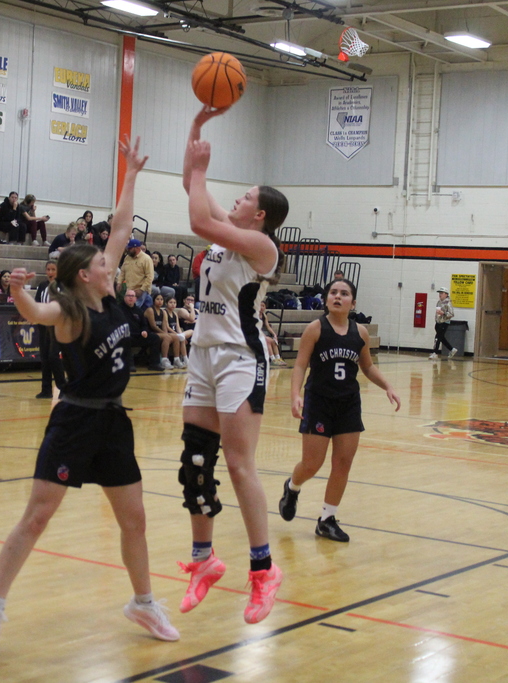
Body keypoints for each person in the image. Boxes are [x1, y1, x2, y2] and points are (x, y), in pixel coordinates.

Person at [0, 136, 179, 658]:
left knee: (134, 519)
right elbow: (33, 314)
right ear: (85, 274)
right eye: (106, 264)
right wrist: (16, 289)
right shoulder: (68, 310)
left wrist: (131, 173)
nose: (116, 264)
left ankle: (143, 601)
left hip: (113, 423)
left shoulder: (106, 293)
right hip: (74, 422)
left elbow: (125, 227)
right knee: (37, 517)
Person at [176, 106, 290, 625]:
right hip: (203, 355)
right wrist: (197, 132)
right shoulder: (228, 229)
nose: (238, 199)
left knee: (240, 465)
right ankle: (204, 561)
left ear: (260, 214)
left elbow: (198, 215)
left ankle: (264, 572)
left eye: (246, 197)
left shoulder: (262, 248)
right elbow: (192, 192)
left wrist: (202, 169)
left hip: (242, 360)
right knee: (196, 462)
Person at [278, 278, 401, 543]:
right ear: (326, 299)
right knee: (312, 464)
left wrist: (388, 386)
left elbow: (367, 367)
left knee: (342, 463)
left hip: (348, 404)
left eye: (344, 294)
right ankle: (292, 487)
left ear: (352, 303)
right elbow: (299, 366)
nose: (337, 296)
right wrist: (295, 395)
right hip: (318, 402)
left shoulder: (361, 333)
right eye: (333, 292)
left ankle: (327, 519)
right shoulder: (315, 329)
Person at [34, 261, 66, 398]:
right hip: (43, 325)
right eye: (48, 269)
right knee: (45, 358)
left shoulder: (63, 286)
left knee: (53, 356)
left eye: (53, 269)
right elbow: (37, 303)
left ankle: (63, 388)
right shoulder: (42, 286)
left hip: (57, 326)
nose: (50, 272)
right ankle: (46, 389)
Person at [121, 288, 164, 371]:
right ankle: (129, 365)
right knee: (126, 339)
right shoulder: (119, 309)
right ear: (124, 298)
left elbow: (144, 324)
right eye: (128, 295)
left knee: (155, 338)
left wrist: (144, 331)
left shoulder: (139, 310)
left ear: (136, 299)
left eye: (132, 296)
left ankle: (154, 364)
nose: (130, 297)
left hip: (139, 335)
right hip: (126, 336)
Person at [145, 293, 182, 370]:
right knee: (167, 337)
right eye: (157, 299)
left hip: (160, 333)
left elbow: (164, 326)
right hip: (150, 333)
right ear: (153, 300)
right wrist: (165, 334)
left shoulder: (163, 312)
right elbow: (153, 326)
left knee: (176, 337)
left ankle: (176, 359)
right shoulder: (150, 310)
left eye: (161, 299)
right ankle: (164, 360)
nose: (160, 301)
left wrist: (165, 333)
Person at [118, 239, 153, 309]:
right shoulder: (127, 258)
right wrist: (119, 283)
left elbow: (149, 277)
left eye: (130, 248)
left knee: (133, 308)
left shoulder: (146, 259)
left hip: (140, 289)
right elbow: (123, 272)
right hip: (129, 289)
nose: (128, 250)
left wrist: (142, 289)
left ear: (137, 248)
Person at [430, 287, 457, 359]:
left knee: (438, 337)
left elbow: (451, 314)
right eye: (439, 293)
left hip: (444, 322)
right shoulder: (439, 302)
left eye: (441, 293)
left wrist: (444, 313)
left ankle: (435, 352)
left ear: (446, 294)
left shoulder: (448, 303)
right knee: (441, 337)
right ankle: (452, 349)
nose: (440, 295)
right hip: (438, 321)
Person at [163, 295, 189, 366]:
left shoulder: (175, 313)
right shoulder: (165, 312)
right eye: (170, 302)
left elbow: (178, 327)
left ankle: (184, 359)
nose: (173, 304)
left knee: (183, 337)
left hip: (175, 333)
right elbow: (167, 327)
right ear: (166, 303)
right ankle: (178, 359)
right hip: (168, 333)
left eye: (174, 303)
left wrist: (181, 334)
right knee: (178, 337)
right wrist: (177, 334)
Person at [258, 301, 286, 367]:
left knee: (273, 341)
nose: (261, 308)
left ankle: (278, 358)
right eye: (260, 306)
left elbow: (267, 326)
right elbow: (256, 327)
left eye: (263, 306)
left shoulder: (264, 315)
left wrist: (274, 334)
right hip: (256, 332)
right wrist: (263, 335)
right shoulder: (255, 315)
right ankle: (272, 359)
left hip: (262, 333)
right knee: (267, 340)